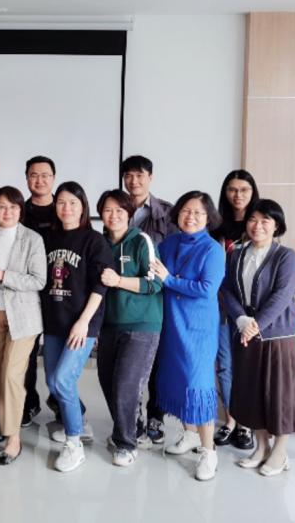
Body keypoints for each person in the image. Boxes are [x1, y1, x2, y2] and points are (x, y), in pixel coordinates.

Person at [220, 199, 295, 477]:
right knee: (252, 392)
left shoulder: (286, 257)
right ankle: (261, 448)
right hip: (246, 332)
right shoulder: (236, 254)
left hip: (277, 335)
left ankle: (280, 451)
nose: (257, 226)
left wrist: (256, 325)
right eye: (253, 220)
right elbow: (226, 290)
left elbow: (282, 296)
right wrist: (241, 320)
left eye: (265, 221)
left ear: (276, 226)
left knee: (280, 394)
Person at [152, 191, 226, 481]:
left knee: (199, 386)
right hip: (172, 324)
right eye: (186, 211)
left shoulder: (213, 249)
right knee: (178, 381)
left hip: (199, 328)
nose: (190, 217)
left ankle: (209, 452)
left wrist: (169, 279)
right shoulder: (168, 243)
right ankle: (190, 434)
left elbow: (207, 288)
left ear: (208, 218)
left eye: (198, 212)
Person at [41, 182, 112, 472]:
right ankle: (79, 420)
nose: (67, 208)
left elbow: (100, 286)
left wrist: (84, 322)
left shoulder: (94, 241)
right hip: (54, 322)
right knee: (52, 382)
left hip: (82, 324)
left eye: (73, 203)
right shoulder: (47, 237)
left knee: (62, 381)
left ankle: (74, 444)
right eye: (61, 202)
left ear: (83, 206)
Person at [96, 189, 163, 468]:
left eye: (120, 211)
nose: (113, 216)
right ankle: (133, 428)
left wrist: (118, 281)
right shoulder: (99, 243)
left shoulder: (141, 240)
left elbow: (155, 282)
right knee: (107, 381)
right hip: (108, 324)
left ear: (129, 214)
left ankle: (126, 444)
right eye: (108, 210)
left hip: (141, 324)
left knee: (126, 384)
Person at [0, 186, 46, 464]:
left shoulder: (33, 239)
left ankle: (13, 439)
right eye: (2, 207)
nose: (7, 212)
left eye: (13, 207)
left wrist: (4, 275)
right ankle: (5, 424)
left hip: (23, 315)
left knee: (11, 374)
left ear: (21, 210)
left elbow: (38, 280)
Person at [121, 154, 177, 445]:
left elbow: (175, 252)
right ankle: (135, 417)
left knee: (155, 360)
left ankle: (155, 415)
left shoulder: (166, 212)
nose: (134, 181)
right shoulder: (118, 207)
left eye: (139, 175)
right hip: (125, 293)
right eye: (128, 175)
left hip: (156, 294)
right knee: (130, 363)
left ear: (150, 178)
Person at [211, 169, 261, 452]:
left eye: (244, 189)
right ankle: (230, 420)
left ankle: (246, 423)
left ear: (252, 192)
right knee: (225, 364)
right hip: (220, 306)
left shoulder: (259, 224)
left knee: (247, 365)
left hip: (250, 308)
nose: (238, 195)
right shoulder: (216, 225)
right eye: (232, 189)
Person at [20, 155, 57, 426]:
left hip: (59, 291)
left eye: (45, 175)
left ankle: (60, 402)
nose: (39, 180)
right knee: (27, 352)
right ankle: (28, 402)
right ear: (26, 179)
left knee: (59, 352)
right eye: (34, 175)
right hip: (26, 291)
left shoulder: (65, 208)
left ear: (53, 178)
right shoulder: (19, 211)